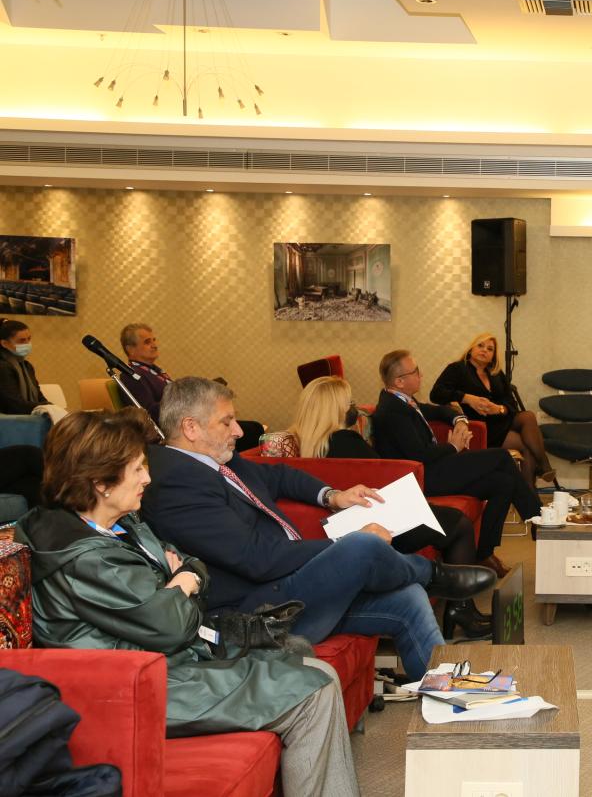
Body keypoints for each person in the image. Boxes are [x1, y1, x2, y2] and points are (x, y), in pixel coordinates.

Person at [17, 409, 360, 797]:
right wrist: (183, 582)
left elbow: (190, 566)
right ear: (100, 483)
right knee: (314, 689)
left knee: (301, 655)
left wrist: (182, 581)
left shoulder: (119, 525)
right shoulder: (88, 558)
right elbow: (171, 625)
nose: (148, 478)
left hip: (169, 659)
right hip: (138, 686)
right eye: (136, 469)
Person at [141, 377, 496, 678]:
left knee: (408, 598)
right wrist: (344, 544)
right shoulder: (175, 483)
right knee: (362, 546)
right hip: (257, 613)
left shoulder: (215, 461)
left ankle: (447, 692)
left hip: (288, 589)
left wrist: (333, 496)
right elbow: (256, 558)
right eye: (227, 422)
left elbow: (280, 475)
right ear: (190, 428)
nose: (238, 431)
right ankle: (433, 574)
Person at [287, 375, 491, 639]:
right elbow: (385, 475)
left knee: (447, 518)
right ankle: (461, 610)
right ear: (334, 409)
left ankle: (460, 609)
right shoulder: (346, 441)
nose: (354, 408)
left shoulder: (310, 444)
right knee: (459, 524)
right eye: (349, 403)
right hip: (381, 524)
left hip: (352, 525)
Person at [371, 349, 542, 578]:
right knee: (502, 457)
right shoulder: (392, 412)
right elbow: (419, 455)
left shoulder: (403, 400)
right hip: (423, 478)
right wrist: (453, 446)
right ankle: (538, 518)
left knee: (503, 483)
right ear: (399, 381)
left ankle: (484, 553)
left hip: (435, 468)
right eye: (415, 371)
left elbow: (440, 410)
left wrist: (459, 419)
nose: (421, 375)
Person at [429, 332, 559, 486]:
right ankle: (541, 471)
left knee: (528, 416)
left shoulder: (495, 373)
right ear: (471, 349)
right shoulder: (457, 369)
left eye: (490, 349)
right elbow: (436, 394)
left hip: (501, 420)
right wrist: (467, 398)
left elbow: (511, 404)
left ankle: (539, 474)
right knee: (527, 445)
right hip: (483, 427)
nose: (484, 350)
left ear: (493, 356)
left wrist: (498, 409)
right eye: (480, 345)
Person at [118, 322, 262, 452]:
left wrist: (197, 394)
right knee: (252, 431)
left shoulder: (154, 371)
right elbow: (148, 414)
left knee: (254, 427)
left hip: (188, 423)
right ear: (131, 349)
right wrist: (186, 399)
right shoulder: (131, 376)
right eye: (147, 342)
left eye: (154, 340)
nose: (154, 345)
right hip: (174, 433)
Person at [0, 319, 50, 415]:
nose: (27, 344)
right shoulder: (3, 367)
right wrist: (47, 407)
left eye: (29, 339)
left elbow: (39, 396)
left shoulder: (27, 366)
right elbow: (15, 404)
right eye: (22, 340)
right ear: (4, 343)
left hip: (27, 417)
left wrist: (50, 407)